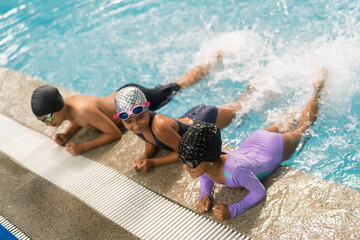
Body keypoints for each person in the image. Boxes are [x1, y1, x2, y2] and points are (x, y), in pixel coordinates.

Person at [176, 68, 327, 221]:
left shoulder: (235, 171)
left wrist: (233, 209)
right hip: (254, 140)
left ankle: (318, 89)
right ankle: (298, 105)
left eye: (189, 162)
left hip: (273, 148)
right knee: (286, 123)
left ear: (208, 160)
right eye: (183, 160)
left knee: (301, 130)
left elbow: (259, 192)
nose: (184, 167)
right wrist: (205, 195)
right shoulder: (208, 162)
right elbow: (206, 175)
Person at [30, 52, 222, 156]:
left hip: (132, 100)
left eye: (47, 117)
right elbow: (76, 120)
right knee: (168, 88)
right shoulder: (69, 107)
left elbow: (113, 133)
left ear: (58, 108)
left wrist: (83, 146)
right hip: (123, 97)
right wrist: (67, 133)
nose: (47, 123)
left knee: (178, 86)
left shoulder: (83, 109)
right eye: (42, 121)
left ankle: (212, 60)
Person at [114, 78, 253, 172]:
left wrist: (154, 162)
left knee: (245, 107)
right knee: (240, 105)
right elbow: (150, 139)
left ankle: (257, 88)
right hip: (190, 117)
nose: (136, 125)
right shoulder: (138, 126)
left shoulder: (159, 126)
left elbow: (185, 154)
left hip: (205, 120)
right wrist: (145, 157)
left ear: (148, 110)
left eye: (140, 118)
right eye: (129, 121)